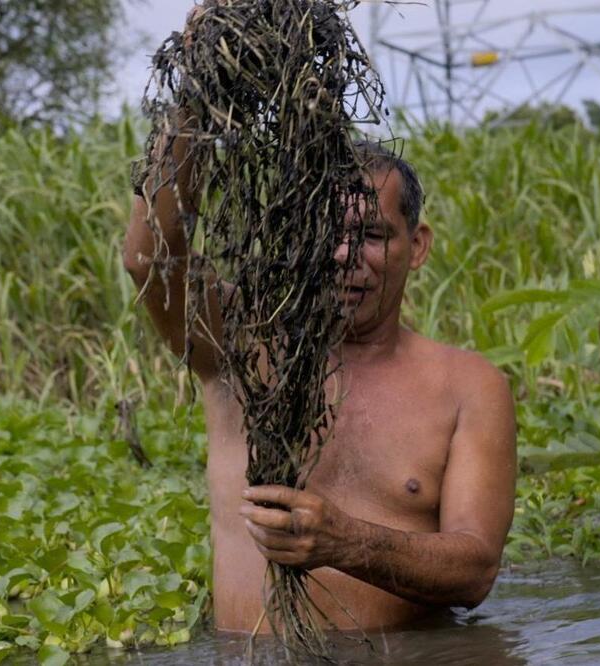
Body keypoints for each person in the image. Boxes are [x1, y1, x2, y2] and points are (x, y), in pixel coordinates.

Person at [123, 13, 516, 635]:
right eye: (322, 234)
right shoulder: (240, 346)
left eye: (371, 236)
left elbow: (474, 571)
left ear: (417, 246)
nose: (342, 256)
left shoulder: (468, 386)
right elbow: (151, 257)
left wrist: (343, 541)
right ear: (292, 234)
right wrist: (201, 84)